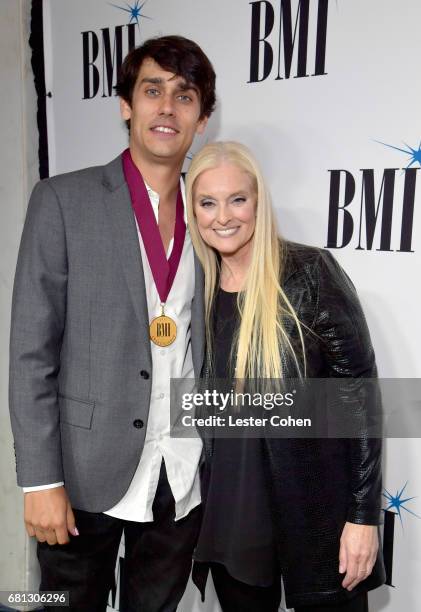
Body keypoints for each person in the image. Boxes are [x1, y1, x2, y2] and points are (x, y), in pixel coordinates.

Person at [9, 36, 215, 611]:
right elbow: (31, 352)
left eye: (185, 96)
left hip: (179, 472)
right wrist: (40, 481)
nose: (167, 108)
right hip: (81, 474)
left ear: (202, 119)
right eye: (152, 91)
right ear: (126, 104)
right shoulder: (62, 201)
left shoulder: (213, 212)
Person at [184, 141, 385, 612]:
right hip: (233, 516)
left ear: (259, 202)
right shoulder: (194, 292)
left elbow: (358, 397)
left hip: (316, 513)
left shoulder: (309, 272)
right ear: (192, 210)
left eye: (238, 199)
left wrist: (362, 517)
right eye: (207, 202)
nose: (223, 216)